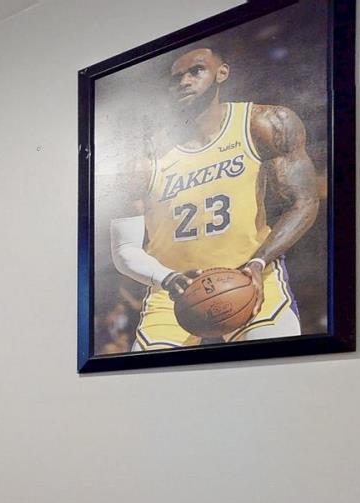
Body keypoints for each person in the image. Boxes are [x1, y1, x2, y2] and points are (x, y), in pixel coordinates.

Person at [109, 47, 320, 349]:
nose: (184, 82)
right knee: (147, 388)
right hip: (173, 291)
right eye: (176, 78)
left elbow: (305, 202)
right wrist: (166, 278)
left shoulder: (262, 123)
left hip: (250, 276)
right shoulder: (142, 156)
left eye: (196, 71)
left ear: (222, 72)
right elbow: (124, 248)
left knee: (273, 373)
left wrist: (259, 262)